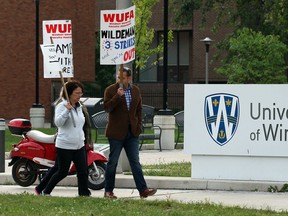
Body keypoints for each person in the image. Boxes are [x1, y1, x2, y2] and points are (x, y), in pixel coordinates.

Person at [103, 67, 157, 199]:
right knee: (113, 162)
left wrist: (138, 126)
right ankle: (108, 191)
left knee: (135, 162)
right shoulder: (110, 90)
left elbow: (139, 109)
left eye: (123, 77)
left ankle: (143, 190)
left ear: (129, 78)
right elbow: (107, 107)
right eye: (118, 77)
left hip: (132, 132)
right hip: (116, 133)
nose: (120, 79)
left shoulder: (135, 90)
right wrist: (117, 96)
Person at [39, 80, 91, 196]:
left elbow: (81, 124)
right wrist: (67, 111)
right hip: (65, 145)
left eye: (81, 93)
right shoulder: (61, 106)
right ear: (69, 93)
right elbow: (58, 123)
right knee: (62, 172)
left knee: (83, 171)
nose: (79, 96)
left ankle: (84, 193)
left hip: (79, 144)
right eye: (77, 93)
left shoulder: (79, 106)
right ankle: (46, 191)